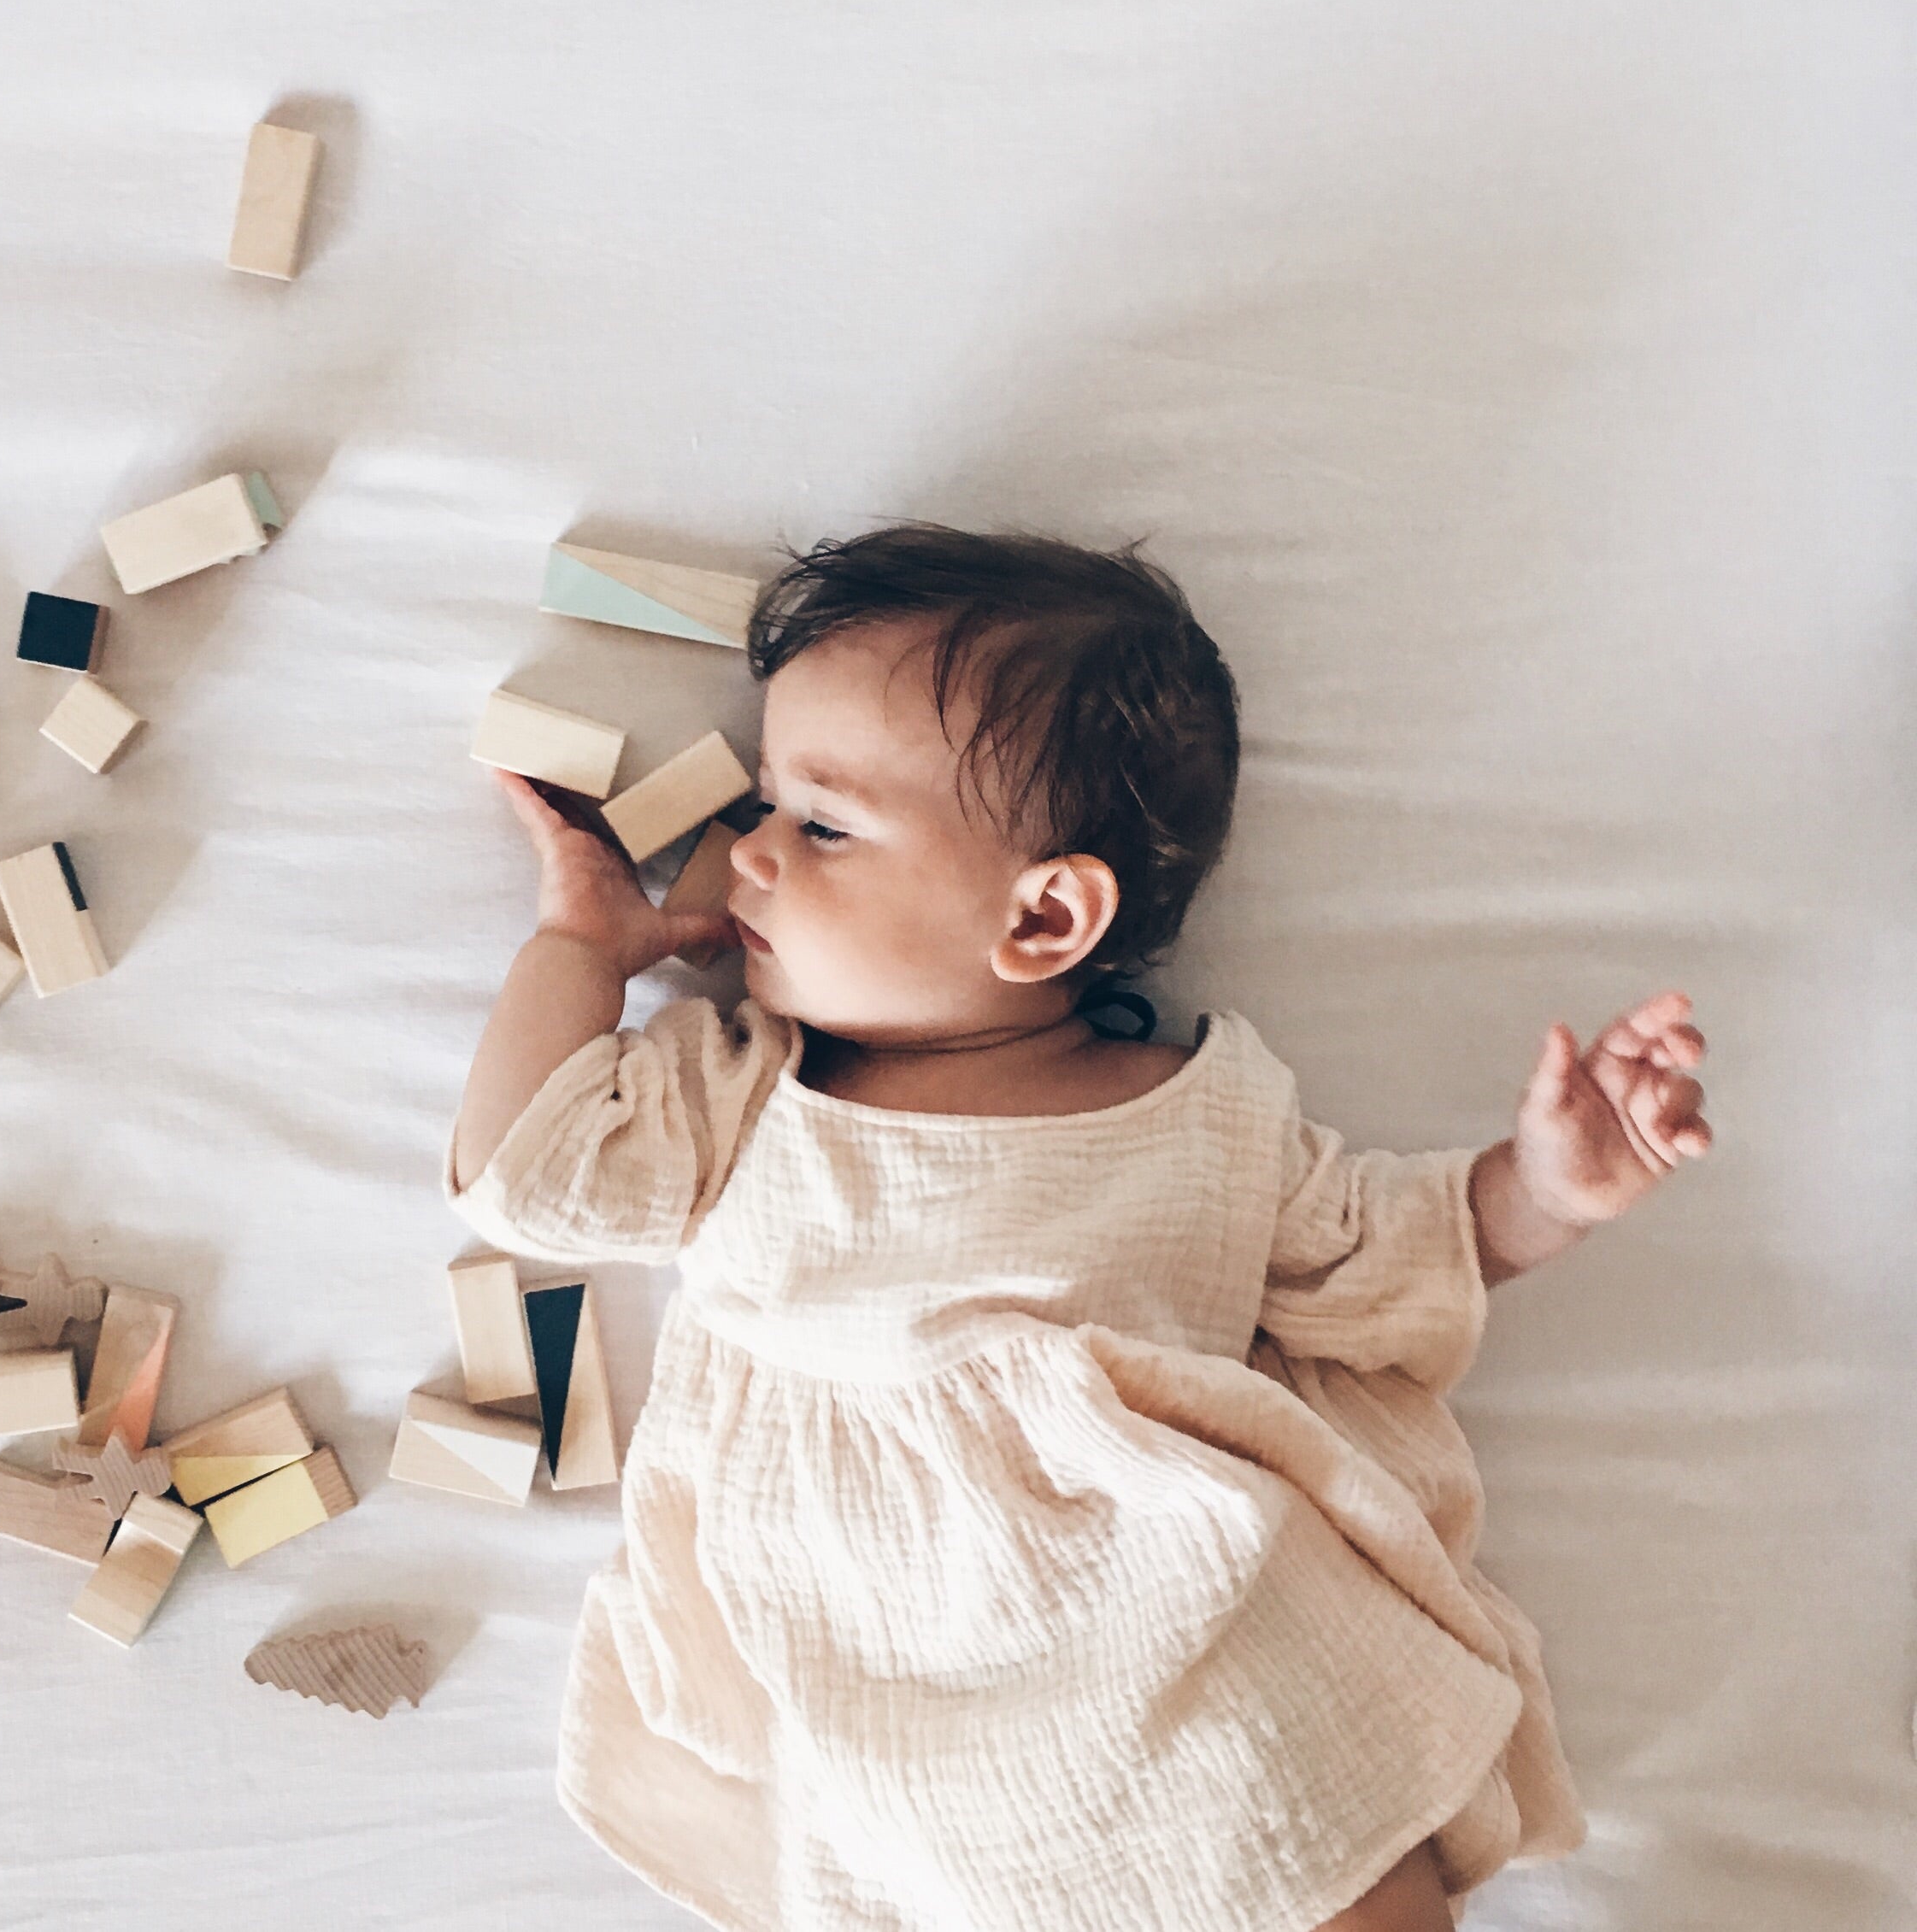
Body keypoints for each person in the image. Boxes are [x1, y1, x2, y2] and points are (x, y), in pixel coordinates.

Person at [448, 523, 1710, 1932]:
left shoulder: (1197, 1111)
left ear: (1046, 916)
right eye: (762, 806)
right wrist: (580, 947)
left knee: (1317, 1826)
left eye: (820, 824)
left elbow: (1387, 1251)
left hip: (1186, 1608)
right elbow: (526, 1172)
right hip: (897, 1676)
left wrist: (1542, 1187)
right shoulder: (744, 1095)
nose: (746, 854)